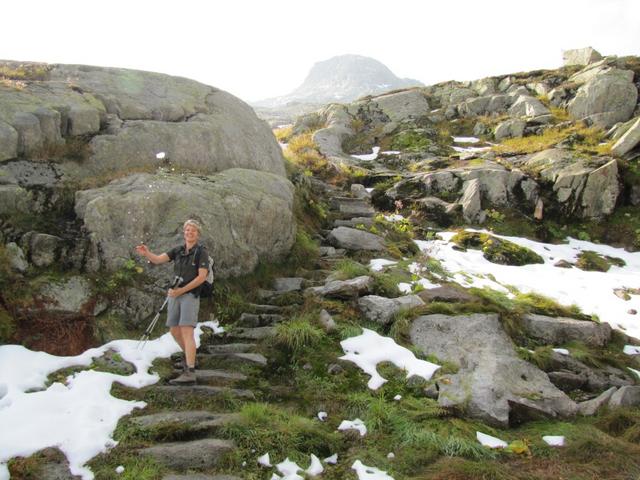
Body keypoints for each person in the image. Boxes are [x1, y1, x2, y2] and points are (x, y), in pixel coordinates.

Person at [135, 219, 210, 384]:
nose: (190, 233)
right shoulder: (178, 250)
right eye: (187, 230)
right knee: (174, 331)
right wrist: (146, 253)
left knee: (186, 331)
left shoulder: (201, 252)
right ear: (184, 232)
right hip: (175, 295)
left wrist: (181, 290)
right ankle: (191, 358)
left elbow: (202, 277)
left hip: (190, 295)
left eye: (193, 231)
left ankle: (190, 372)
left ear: (198, 234)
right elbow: (158, 259)